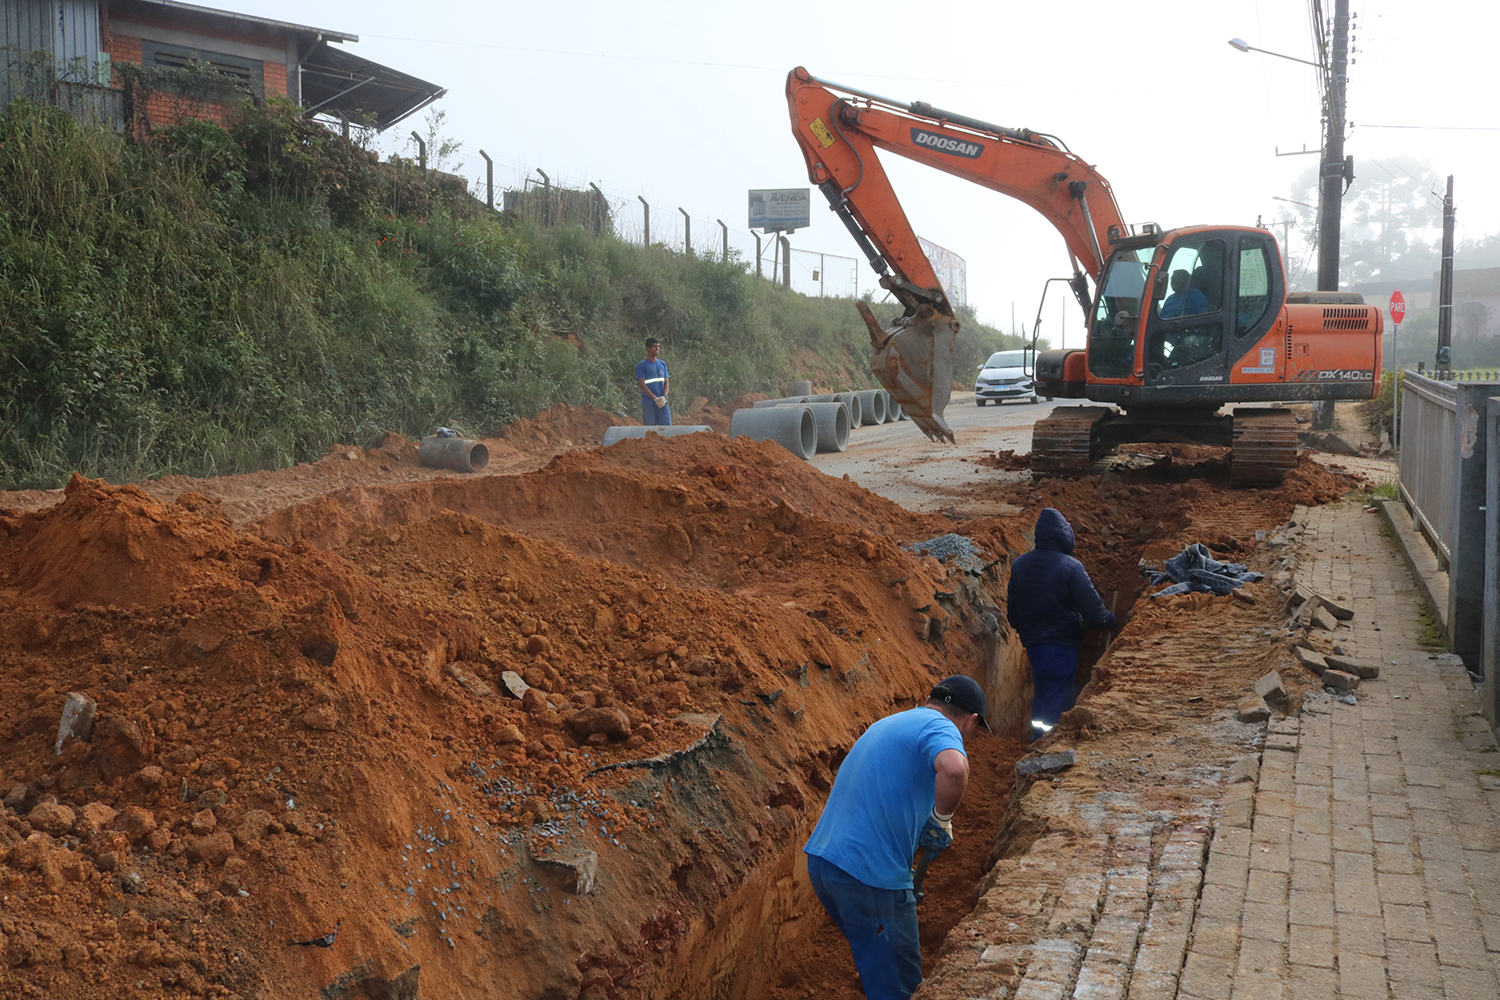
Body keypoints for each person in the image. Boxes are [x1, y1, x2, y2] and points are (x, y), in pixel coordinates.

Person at [803, 676, 989, 999]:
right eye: (974, 730)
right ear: (971, 720)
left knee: (880, 966)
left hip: (825, 864)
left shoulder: (894, 722)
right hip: (867, 875)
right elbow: (955, 769)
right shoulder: (941, 727)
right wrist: (942, 819)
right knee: (899, 988)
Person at [1007, 508, 1120, 742]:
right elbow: (1094, 610)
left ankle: (1038, 739)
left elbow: (1013, 614)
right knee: (1059, 698)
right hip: (1062, 644)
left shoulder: (1019, 565)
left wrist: (1027, 630)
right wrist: (1111, 621)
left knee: (1043, 695)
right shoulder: (1071, 567)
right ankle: (1052, 743)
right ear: (1065, 536)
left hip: (1035, 645)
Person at [635, 337, 671, 426]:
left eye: (658, 346)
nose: (658, 348)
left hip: (662, 402)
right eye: (655, 346)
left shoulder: (662, 364)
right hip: (649, 403)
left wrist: (664, 397)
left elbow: (666, 382)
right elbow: (642, 384)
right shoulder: (642, 365)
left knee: (667, 427)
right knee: (650, 429)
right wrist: (655, 398)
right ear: (648, 348)